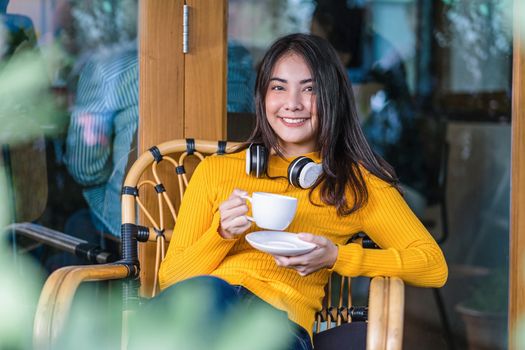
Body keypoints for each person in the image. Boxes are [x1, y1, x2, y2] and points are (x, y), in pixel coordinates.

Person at [156, 33, 447, 350]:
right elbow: (171, 280)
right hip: (208, 307)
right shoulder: (217, 170)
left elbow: (432, 265)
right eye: (278, 87)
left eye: (310, 89)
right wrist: (221, 234)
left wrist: (337, 257)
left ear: (332, 98)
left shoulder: (355, 184)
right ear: (263, 97)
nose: (292, 104)